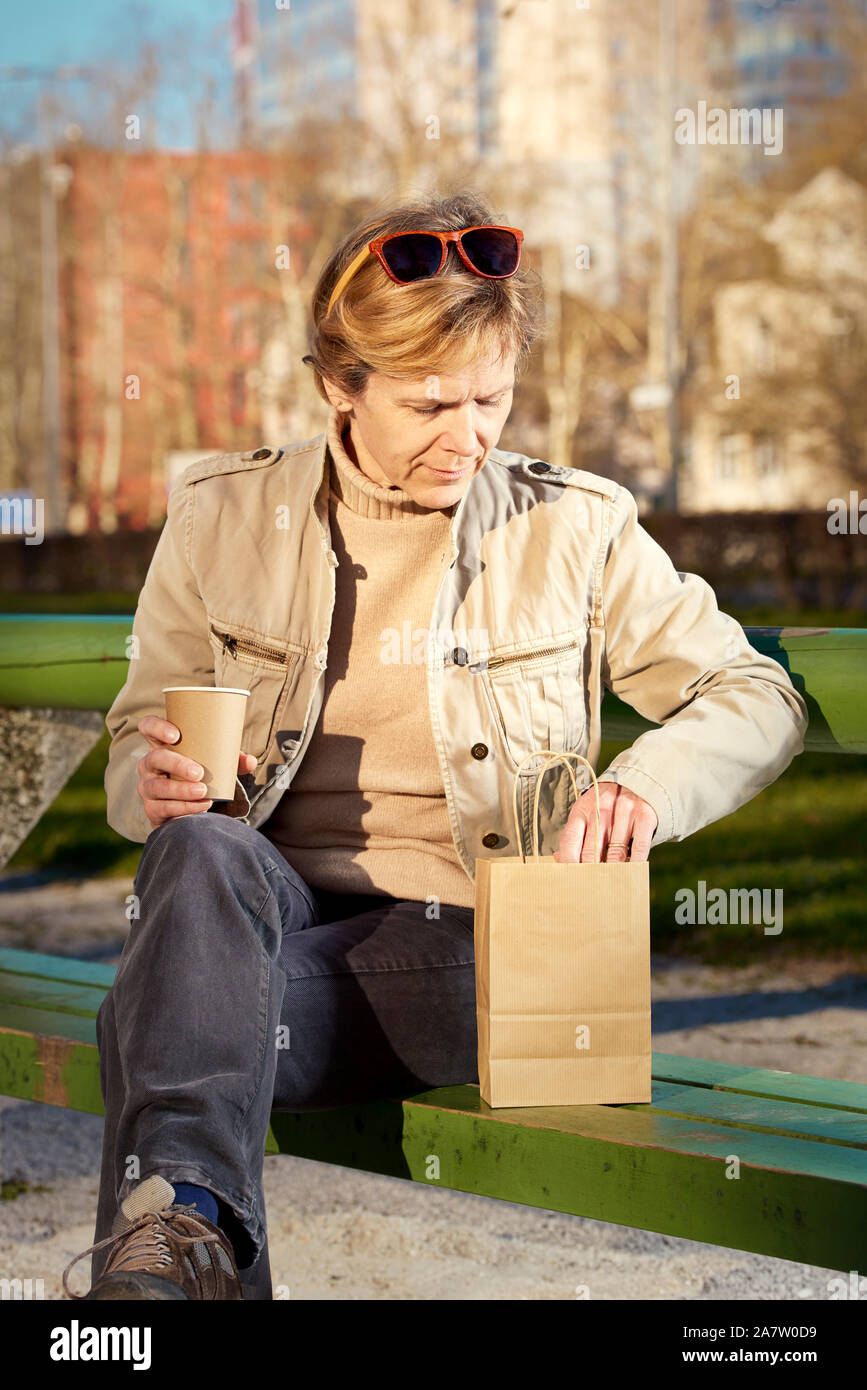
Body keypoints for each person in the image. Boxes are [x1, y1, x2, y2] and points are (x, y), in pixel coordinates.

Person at [62, 190, 808, 1301]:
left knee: (165, 1019)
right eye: (431, 403)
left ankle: (163, 1257)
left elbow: (758, 691)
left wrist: (646, 781)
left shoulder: (573, 525)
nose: (471, 436)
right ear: (339, 387)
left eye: (491, 399)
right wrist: (152, 780)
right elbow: (136, 740)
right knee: (198, 863)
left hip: (471, 948)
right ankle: (182, 1254)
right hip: (257, 917)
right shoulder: (223, 517)